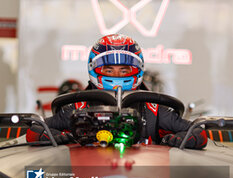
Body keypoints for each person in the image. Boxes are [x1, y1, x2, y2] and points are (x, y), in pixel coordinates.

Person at [26, 34, 207, 149]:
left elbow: (198, 133)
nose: (117, 75)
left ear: (138, 70)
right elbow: (34, 131)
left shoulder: (153, 109)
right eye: (109, 69)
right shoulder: (78, 106)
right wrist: (58, 137)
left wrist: (174, 141)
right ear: (93, 68)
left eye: (124, 70)